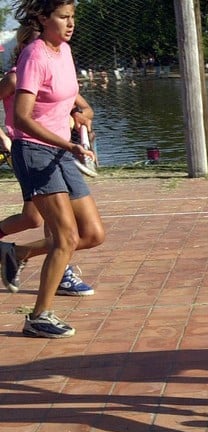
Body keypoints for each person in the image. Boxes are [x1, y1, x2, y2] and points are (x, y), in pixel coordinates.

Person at [0, 0, 106, 338]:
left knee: (92, 234)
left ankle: (14, 252)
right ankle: (39, 317)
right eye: (63, 17)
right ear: (44, 19)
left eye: (73, 17)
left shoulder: (65, 51)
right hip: (34, 151)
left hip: (61, 151)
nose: (70, 23)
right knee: (66, 237)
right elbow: (21, 117)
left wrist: (80, 116)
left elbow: (71, 99)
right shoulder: (33, 55)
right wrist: (69, 145)